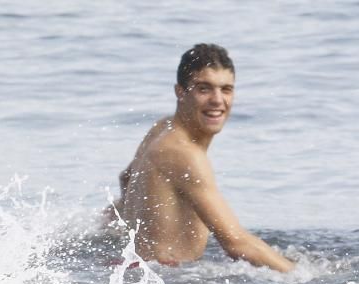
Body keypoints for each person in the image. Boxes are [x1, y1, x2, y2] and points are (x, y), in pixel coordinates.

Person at [110, 43, 294, 272]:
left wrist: (131, 236)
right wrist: (305, 277)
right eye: (204, 89)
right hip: (164, 279)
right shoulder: (183, 154)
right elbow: (236, 244)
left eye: (226, 89)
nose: (218, 100)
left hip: (135, 269)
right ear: (180, 92)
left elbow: (126, 179)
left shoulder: (163, 128)